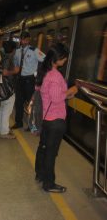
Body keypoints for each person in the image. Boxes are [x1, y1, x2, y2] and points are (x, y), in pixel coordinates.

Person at [34, 43, 78, 193]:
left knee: (44, 149)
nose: (65, 61)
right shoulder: (54, 75)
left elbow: (48, 94)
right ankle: (49, 183)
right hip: (55, 120)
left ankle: (40, 174)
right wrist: (71, 90)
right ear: (58, 58)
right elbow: (56, 97)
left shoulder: (45, 72)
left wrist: (67, 93)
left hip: (48, 119)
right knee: (51, 153)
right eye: (64, 58)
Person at [12, 31, 45, 129]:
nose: (24, 41)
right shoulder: (17, 51)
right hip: (20, 79)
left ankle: (32, 124)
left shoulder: (34, 50)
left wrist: (38, 72)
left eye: (26, 39)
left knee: (30, 103)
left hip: (29, 80)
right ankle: (19, 122)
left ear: (29, 39)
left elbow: (45, 59)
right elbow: (16, 64)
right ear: (21, 40)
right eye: (22, 39)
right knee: (18, 102)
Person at [0, 41, 18, 139]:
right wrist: (15, 71)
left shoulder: (3, 57)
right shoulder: (9, 58)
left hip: (3, 87)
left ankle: (0, 128)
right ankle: (4, 131)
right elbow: (5, 72)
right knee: (7, 110)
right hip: (8, 88)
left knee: (3, 108)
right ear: (13, 50)